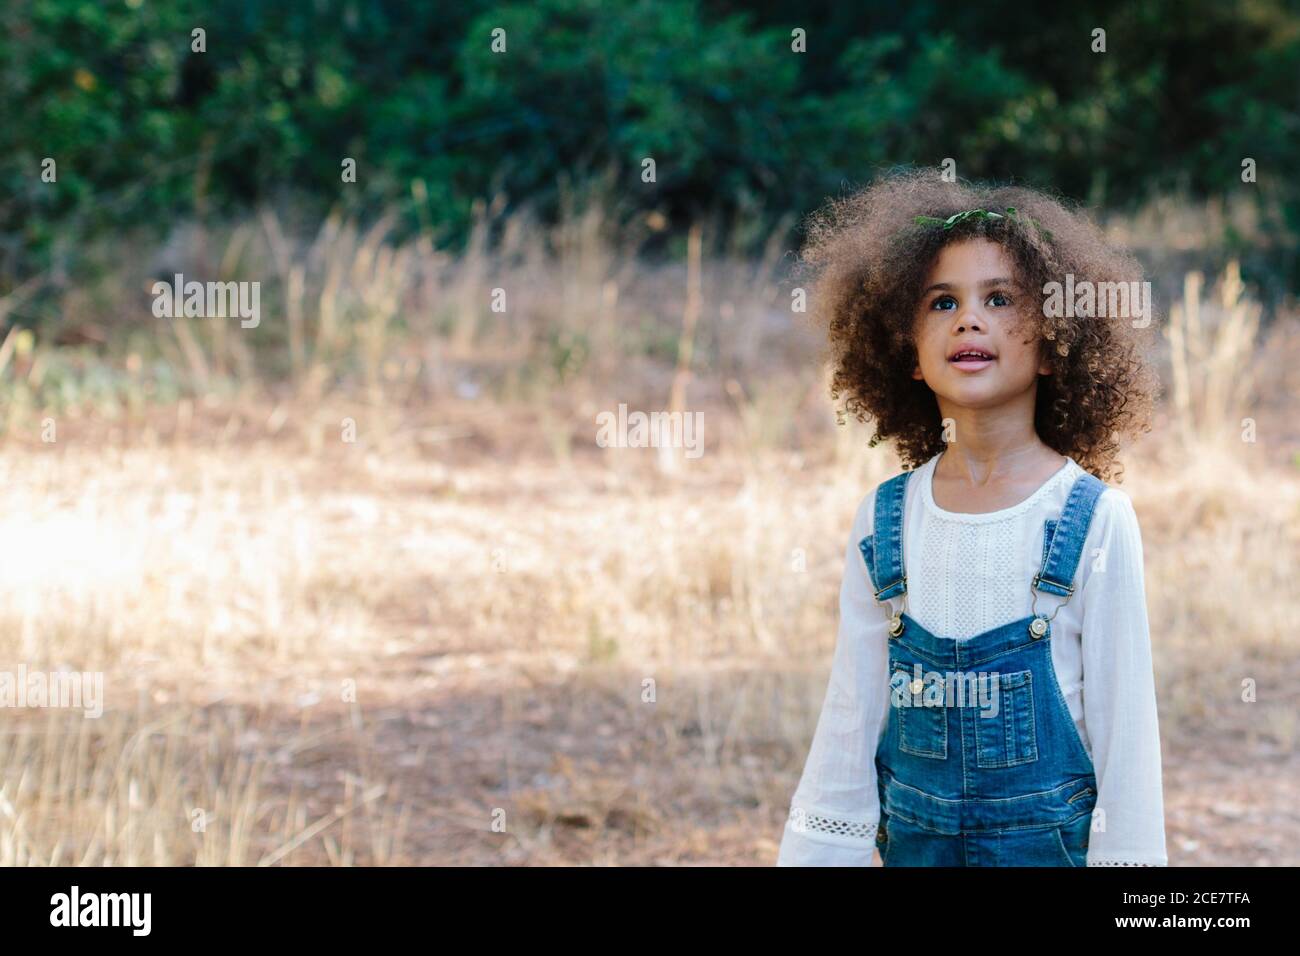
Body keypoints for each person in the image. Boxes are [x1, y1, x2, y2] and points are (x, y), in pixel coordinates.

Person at [777, 168, 1167, 866]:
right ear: (912, 357)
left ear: (1055, 343)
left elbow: (1126, 742)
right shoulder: (885, 520)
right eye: (940, 302)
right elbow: (851, 716)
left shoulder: (1095, 520)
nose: (969, 319)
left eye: (999, 298)